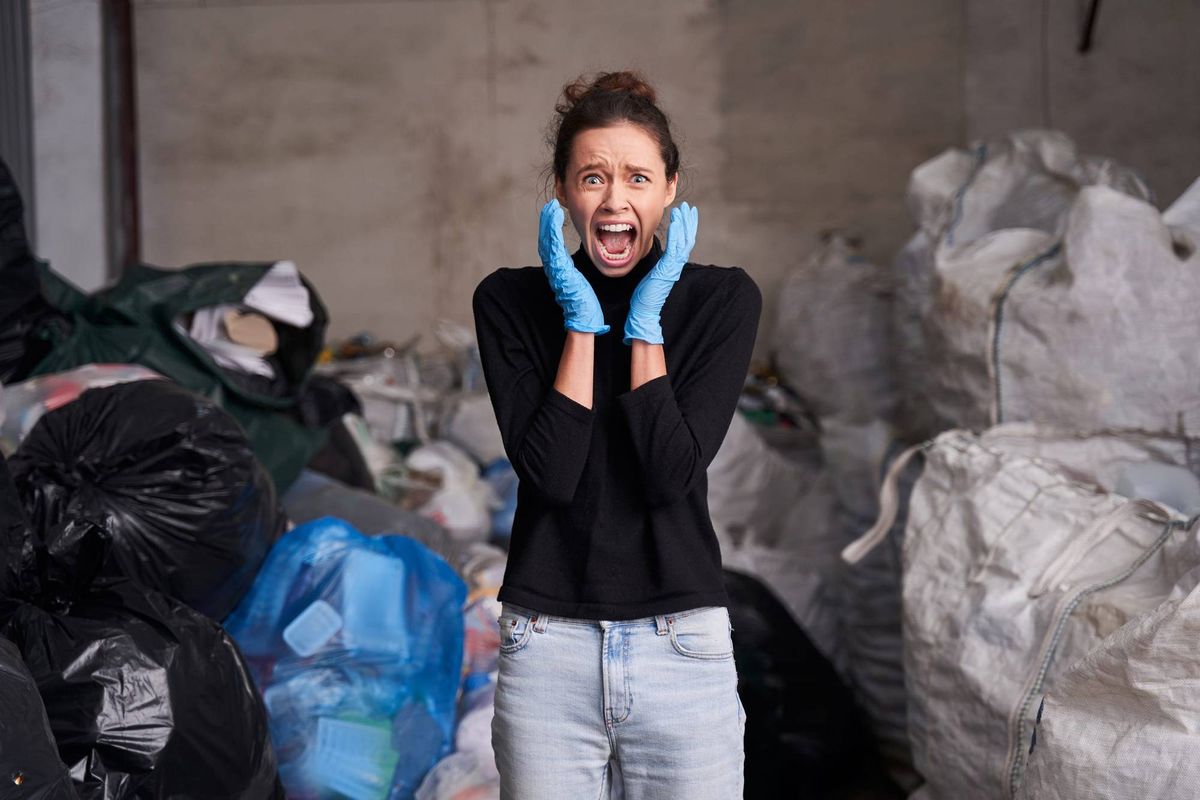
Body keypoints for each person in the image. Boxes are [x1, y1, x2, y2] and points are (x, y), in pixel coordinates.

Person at [472, 70, 761, 800]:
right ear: (565, 192)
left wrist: (646, 321)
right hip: (548, 648)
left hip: (681, 645)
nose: (614, 198)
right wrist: (579, 319)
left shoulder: (721, 300)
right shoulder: (509, 300)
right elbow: (552, 475)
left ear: (670, 188)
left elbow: (668, 474)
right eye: (593, 177)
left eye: (637, 176)